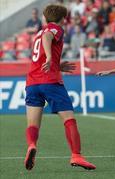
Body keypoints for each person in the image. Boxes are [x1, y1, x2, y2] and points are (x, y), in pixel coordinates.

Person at [24, 4, 96, 171]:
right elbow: (48, 36)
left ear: (45, 17)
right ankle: (76, 155)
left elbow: (42, 45)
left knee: (33, 124)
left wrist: (56, 63)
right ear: (63, 19)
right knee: (69, 119)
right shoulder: (54, 28)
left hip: (32, 82)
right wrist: (50, 58)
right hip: (50, 81)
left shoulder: (38, 32)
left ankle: (32, 145)